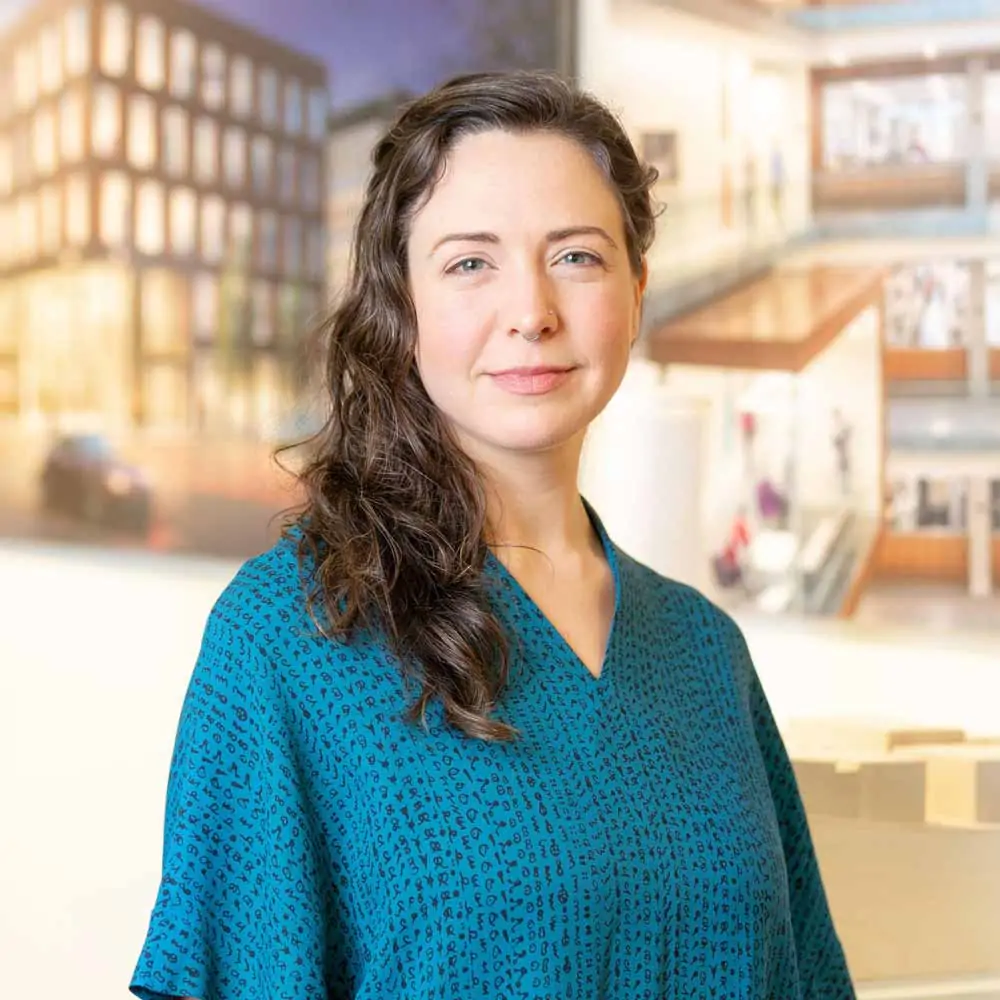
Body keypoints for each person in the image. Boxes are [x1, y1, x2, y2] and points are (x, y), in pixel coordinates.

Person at [129, 71, 855, 1000]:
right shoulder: (291, 636)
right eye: (471, 262)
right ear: (403, 305)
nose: (531, 312)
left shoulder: (706, 653)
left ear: (637, 286)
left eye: (577, 257)